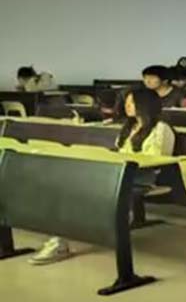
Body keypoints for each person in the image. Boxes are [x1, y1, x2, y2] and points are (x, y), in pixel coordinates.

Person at [29, 89, 176, 265]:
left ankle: (62, 240)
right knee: (66, 186)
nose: (127, 106)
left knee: (79, 189)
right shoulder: (129, 127)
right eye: (126, 102)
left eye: (132, 102)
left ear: (145, 104)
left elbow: (157, 160)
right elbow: (118, 151)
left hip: (142, 177)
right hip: (118, 172)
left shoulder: (161, 129)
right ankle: (59, 239)